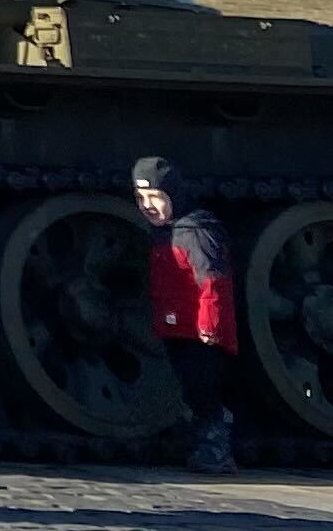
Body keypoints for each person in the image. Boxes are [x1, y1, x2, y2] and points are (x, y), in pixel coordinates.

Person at [133, 155, 240, 474]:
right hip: (175, 327)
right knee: (187, 386)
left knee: (202, 388)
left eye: (155, 197)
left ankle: (217, 446)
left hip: (198, 331)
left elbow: (213, 281)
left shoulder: (195, 231)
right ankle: (195, 439)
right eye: (140, 198)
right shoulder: (165, 232)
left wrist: (211, 327)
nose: (147, 205)